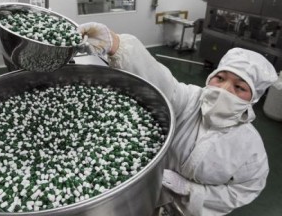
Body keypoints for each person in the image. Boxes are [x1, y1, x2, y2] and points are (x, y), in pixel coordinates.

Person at [77, 22, 278, 216]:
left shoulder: (250, 149)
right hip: (151, 193)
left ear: (253, 99)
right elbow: (162, 83)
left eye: (240, 87)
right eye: (220, 78)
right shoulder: (190, 100)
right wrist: (117, 45)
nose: (223, 90)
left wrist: (191, 191)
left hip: (194, 210)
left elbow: (244, 190)